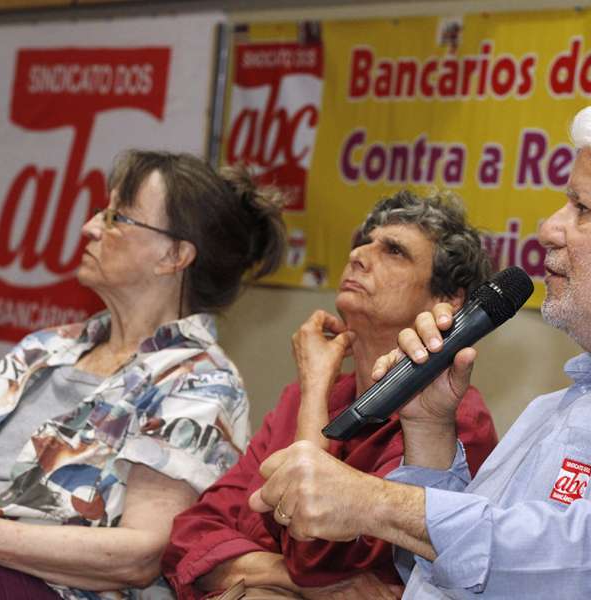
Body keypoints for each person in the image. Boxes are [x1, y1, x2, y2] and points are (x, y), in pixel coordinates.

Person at [246, 97, 591, 599]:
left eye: (583, 208)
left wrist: (378, 504)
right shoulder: (583, 392)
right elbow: (457, 572)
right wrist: (429, 430)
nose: (549, 228)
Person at [0, 150, 287, 600]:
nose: (91, 227)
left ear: (173, 256)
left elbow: (141, 554)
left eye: (117, 217)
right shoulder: (44, 348)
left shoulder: (198, 381)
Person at [162, 190, 499, 599]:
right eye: (363, 241)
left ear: (446, 301)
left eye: (394, 251)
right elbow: (191, 533)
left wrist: (251, 569)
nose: (359, 255)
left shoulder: (452, 422)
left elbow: (311, 551)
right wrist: (291, 579)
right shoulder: (308, 394)